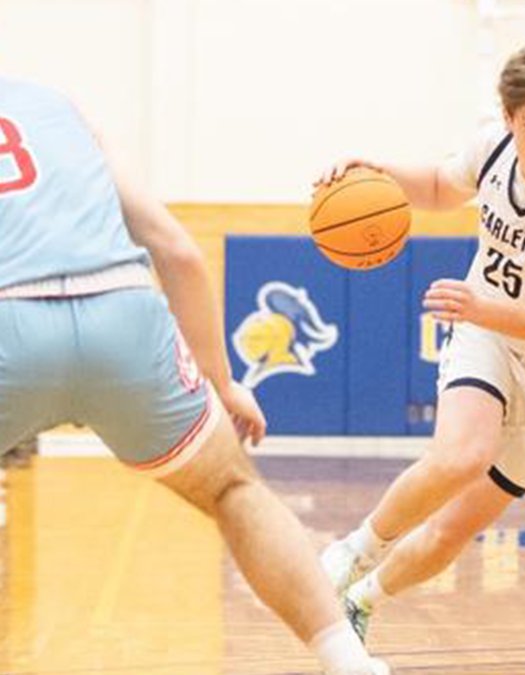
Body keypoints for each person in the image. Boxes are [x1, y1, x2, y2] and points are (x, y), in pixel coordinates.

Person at [0, 76, 388, 675]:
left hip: (8, 319)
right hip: (122, 308)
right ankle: (349, 662)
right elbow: (177, 250)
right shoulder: (61, 104)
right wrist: (222, 384)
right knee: (234, 489)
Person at [315, 44, 525, 642]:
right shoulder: (491, 147)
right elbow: (441, 187)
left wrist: (479, 305)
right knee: (461, 454)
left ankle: (361, 601)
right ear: (508, 117)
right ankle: (350, 553)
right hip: (487, 330)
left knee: (453, 530)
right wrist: (377, 172)